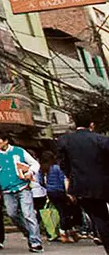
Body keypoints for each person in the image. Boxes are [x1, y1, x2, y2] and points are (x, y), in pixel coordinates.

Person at [56, 109, 109, 254]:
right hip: (104, 183)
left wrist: (70, 181)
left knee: (100, 218)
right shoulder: (101, 140)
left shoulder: (64, 141)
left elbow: (64, 165)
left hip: (81, 186)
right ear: (91, 125)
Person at [0, 132, 42, 252]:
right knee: (12, 214)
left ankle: (35, 242)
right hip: (7, 189)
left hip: (23, 187)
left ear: (6, 141)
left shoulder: (19, 151)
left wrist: (30, 172)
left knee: (28, 214)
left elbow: (35, 164)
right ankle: (30, 234)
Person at [39, 150, 77, 242]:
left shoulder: (42, 169)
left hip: (50, 192)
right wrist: (68, 193)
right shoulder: (57, 168)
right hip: (60, 191)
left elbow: (41, 182)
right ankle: (64, 232)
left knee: (60, 210)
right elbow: (63, 180)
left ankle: (68, 231)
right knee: (65, 212)